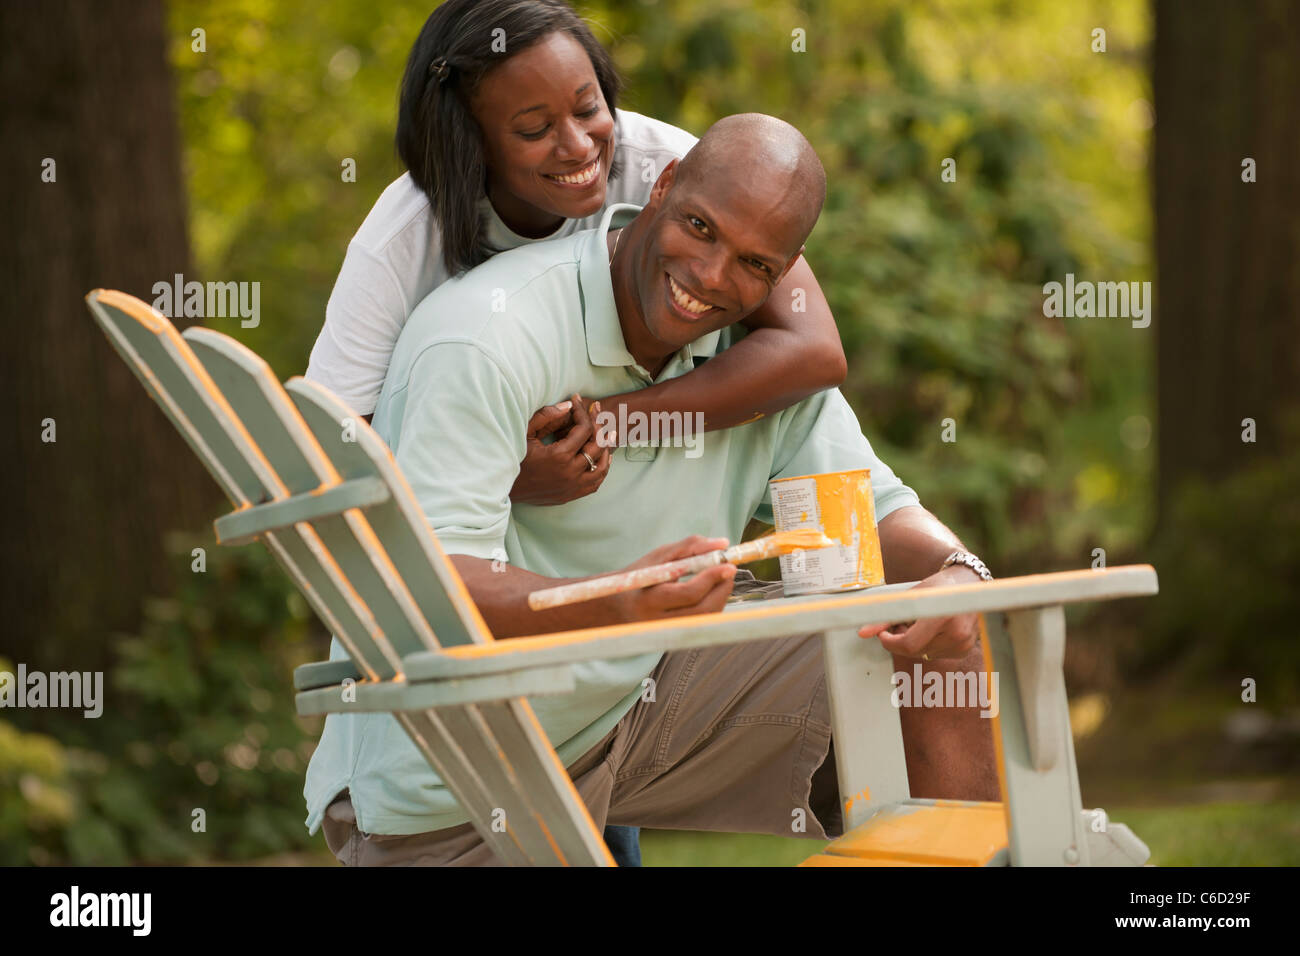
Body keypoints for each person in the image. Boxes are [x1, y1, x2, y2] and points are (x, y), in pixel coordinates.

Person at [306, 113, 998, 866]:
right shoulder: (486, 337)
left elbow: (873, 517)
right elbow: (429, 593)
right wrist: (620, 602)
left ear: (785, 275)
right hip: (461, 764)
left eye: (755, 265)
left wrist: (960, 573)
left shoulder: (762, 367)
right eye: (700, 226)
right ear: (663, 186)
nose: (710, 276)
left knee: (936, 634)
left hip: (639, 700)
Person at [305, 0, 851, 862]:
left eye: (588, 104)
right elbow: (337, 473)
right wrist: (507, 474)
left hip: (591, 618)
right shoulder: (402, 247)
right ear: (468, 139)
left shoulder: (657, 161)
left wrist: (618, 425)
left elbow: (813, 348)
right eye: (534, 127)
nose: (581, 144)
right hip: (476, 616)